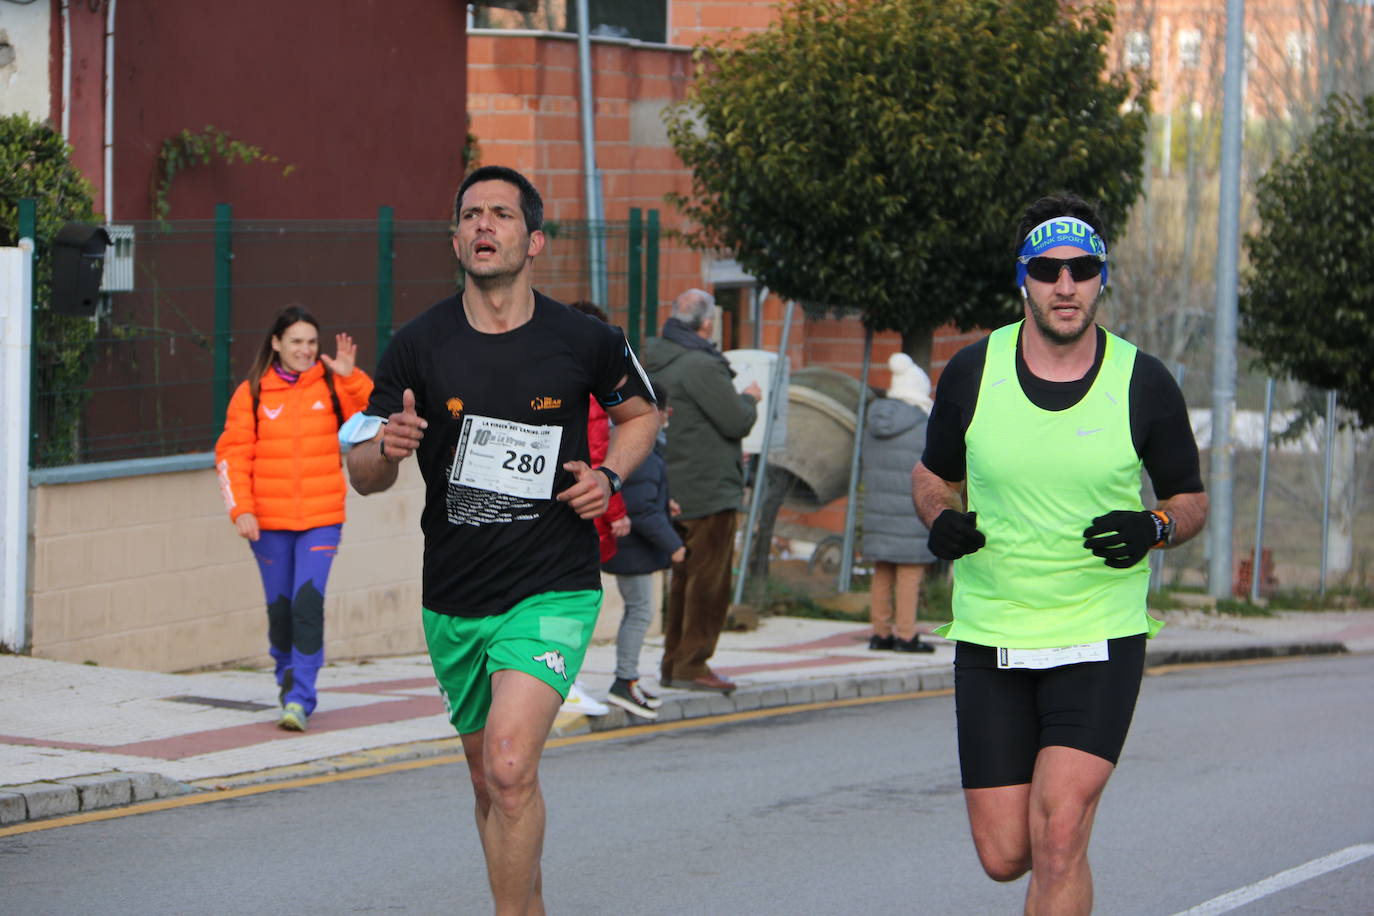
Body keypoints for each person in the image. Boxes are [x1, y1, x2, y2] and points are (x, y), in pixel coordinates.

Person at [346, 165, 657, 915]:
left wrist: (610, 478)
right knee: (490, 781)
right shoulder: (416, 345)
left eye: (501, 215)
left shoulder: (585, 338)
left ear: (534, 239)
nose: (485, 225)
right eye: (471, 215)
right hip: (455, 597)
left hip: (553, 585)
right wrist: (385, 447)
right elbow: (362, 473)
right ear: (455, 239)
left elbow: (642, 415)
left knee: (512, 767)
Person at [911, 193, 1208, 915]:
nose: (1065, 285)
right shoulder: (972, 372)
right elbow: (932, 475)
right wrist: (938, 521)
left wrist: (1155, 526)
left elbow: (1191, 499)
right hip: (993, 634)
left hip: (1098, 633)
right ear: (1024, 279)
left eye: (1082, 269)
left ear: (1103, 277)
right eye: (1048, 270)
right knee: (1005, 854)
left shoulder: (1145, 381)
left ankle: (1065, 845)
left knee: (1060, 832)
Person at [215, 305, 374, 732]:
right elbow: (232, 455)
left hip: (322, 519)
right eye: (296, 342)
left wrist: (349, 375)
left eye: (310, 342)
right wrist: (242, 510)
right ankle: (286, 679)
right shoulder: (252, 393)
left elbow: (375, 418)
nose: (305, 350)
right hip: (268, 524)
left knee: (307, 604)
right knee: (281, 610)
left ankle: (302, 695)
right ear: (276, 344)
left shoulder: (332, 385)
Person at [641, 289, 761, 694]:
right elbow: (734, 421)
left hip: (674, 484)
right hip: (709, 488)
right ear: (707, 324)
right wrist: (750, 399)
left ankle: (675, 662)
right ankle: (692, 665)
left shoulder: (655, 357)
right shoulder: (701, 365)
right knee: (708, 583)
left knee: (683, 580)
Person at [601, 382, 685, 719]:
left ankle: (629, 680)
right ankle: (625, 681)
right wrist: (675, 546)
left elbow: (645, 499)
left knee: (638, 611)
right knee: (640, 612)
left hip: (628, 546)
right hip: (632, 548)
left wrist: (667, 503)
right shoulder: (642, 448)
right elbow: (641, 509)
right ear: (656, 412)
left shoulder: (632, 443)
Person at [860, 352, 936, 653]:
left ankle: (879, 633)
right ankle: (906, 635)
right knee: (909, 573)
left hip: (877, 510)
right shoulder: (923, 423)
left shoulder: (874, 417)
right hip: (910, 511)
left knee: (882, 571)